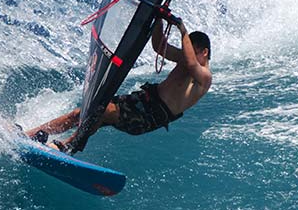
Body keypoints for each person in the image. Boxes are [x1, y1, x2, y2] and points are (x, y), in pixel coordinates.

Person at [27, 18, 212, 152]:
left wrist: (182, 30)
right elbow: (158, 45)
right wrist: (158, 19)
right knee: (81, 112)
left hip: (148, 116)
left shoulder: (204, 77)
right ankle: (33, 134)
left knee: (101, 110)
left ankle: (68, 145)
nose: (185, 53)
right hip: (140, 100)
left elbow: (190, 63)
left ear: (204, 52)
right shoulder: (185, 59)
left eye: (192, 50)